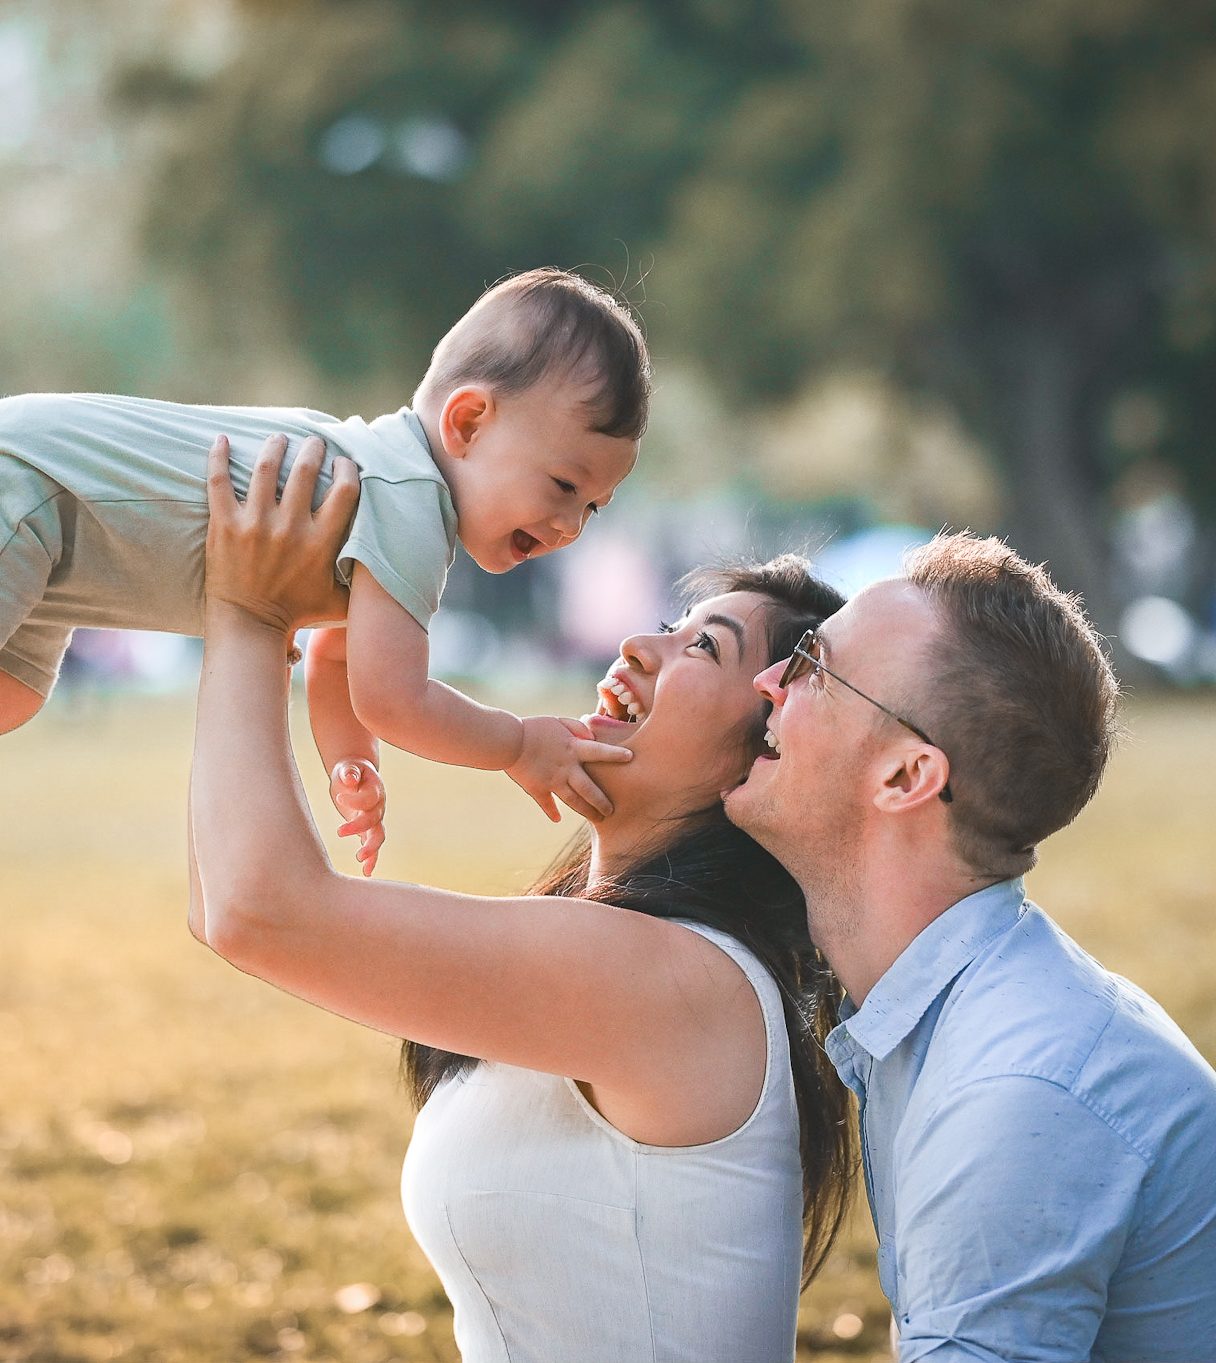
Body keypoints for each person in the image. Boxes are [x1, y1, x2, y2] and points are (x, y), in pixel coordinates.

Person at [0, 268, 645, 891]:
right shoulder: (403, 497)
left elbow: (340, 669)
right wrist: (516, 742)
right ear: (467, 422)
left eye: (590, 506)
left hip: (64, 536)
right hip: (30, 484)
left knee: (0, 694)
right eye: (561, 483)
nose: (566, 523)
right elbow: (395, 689)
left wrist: (352, 761)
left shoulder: (391, 497)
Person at [188, 434, 856, 1363]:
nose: (639, 643)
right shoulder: (629, 945)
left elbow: (256, 908)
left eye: (703, 645)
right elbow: (229, 893)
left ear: (767, 752)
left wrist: (250, 611)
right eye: (675, 620)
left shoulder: (677, 980)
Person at [725, 534, 1216, 1361]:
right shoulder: (950, 1015)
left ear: (906, 776)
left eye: (810, 664)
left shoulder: (1019, 1085)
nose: (766, 682)